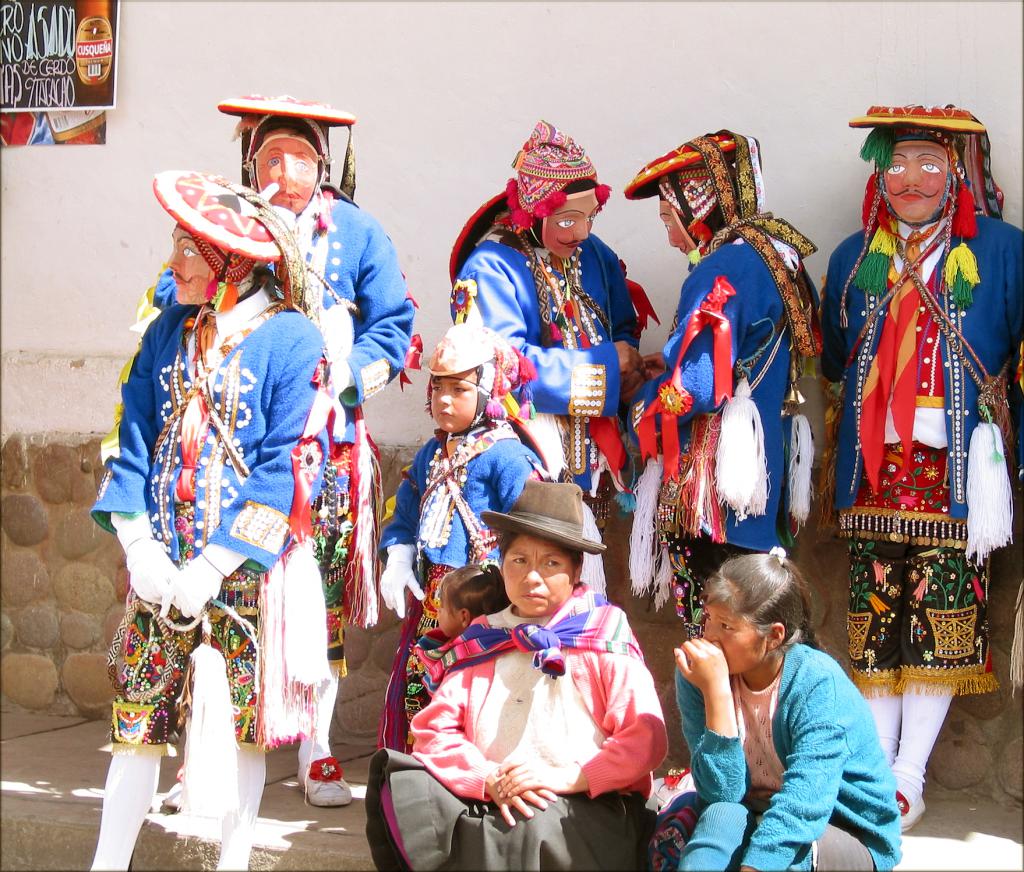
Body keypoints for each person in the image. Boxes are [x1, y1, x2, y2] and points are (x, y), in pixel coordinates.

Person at [90, 171, 331, 870]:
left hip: (243, 577)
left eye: (188, 250)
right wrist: (138, 543)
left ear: (231, 260)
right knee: (135, 723)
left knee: (242, 730)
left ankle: (232, 862)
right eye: (176, 246)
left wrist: (214, 565)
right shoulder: (167, 332)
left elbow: (282, 471)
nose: (174, 264)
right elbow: (132, 439)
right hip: (160, 572)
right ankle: (107, 863)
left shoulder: (293, 342)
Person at [819, 104, 1023, 830]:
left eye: (929, 164)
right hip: (876, 467)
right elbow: (837, 357)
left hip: (960, 467)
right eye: (896, 163)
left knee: (944, 613)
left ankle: (909, 774)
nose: (909, 179)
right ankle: (878, 768)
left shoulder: (1002, 251)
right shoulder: (853, 258)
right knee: (875, 611)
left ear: (958, 174)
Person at [217, 94, 417, 805]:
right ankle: (217, 749)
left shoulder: (358, 233)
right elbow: (179, 298)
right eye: (270, 155)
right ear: (249, 162)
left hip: (329, 451)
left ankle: (319, 749)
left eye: (299, 154)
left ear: (323, 163)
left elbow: (393, 324)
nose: (284, 168)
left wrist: (349, 375)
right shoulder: (225, 226)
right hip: (235, 451)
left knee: (323, 598)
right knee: (231, 589)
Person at [365, 481, 668, 871]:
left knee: (531, 828)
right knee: (403, 785)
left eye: (551, 564)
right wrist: (488, 779)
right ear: (502, 563)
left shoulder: (602, 634)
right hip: (492, 794)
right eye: (519, 561)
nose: (532, 577)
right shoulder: (486, 636)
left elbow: (645, 738)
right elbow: (434, 731)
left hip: (584, 802)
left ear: (576, 569)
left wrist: (568, 778)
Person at [623, 132, 820, 639]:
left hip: (714, 495)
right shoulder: (773, 256)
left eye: (669, 219)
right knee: (760, 631)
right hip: (758, 476)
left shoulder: (724, 264)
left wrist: (639, 404)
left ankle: (724, 721)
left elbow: (696, 386)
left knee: (716, 635)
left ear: (699, 204)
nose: (670, 237)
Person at [448, 120, 650, 540]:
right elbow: (503, 367)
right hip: (529, 456)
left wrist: (628, 370)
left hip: (596, 461)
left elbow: (623, 321)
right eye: (566, 221)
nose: (580, 233)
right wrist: (608, 368)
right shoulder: (492, 266)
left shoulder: (595, 254)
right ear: (533, 211)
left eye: (589, 218)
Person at [671, 552, 901, 871]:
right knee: (717, 821)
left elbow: (804, 806)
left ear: (774, 635)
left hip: (842, 829)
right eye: (708, 618)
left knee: (791, 859)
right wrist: (717, 695)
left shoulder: (817, 683)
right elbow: (720, 793)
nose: (710, 636)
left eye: (727, 626)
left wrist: (754, 868)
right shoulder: (699, 677)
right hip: (756, 814)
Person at [376, 322, 546, 751]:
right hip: (433, 605)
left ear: (488, 392)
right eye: (437, 389)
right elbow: (406, 515)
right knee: (422, 694)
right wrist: (397, 556)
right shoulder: (432, 454)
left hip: (487, 607)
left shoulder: (509, 457)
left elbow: (530, 534)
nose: (444, 400)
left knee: (477, 702)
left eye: (459, 389)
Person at [432, 563, 511, 642]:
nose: (438, 610)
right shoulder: (499, 640)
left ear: (464, 617)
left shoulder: (464, 653)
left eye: (442, 606)